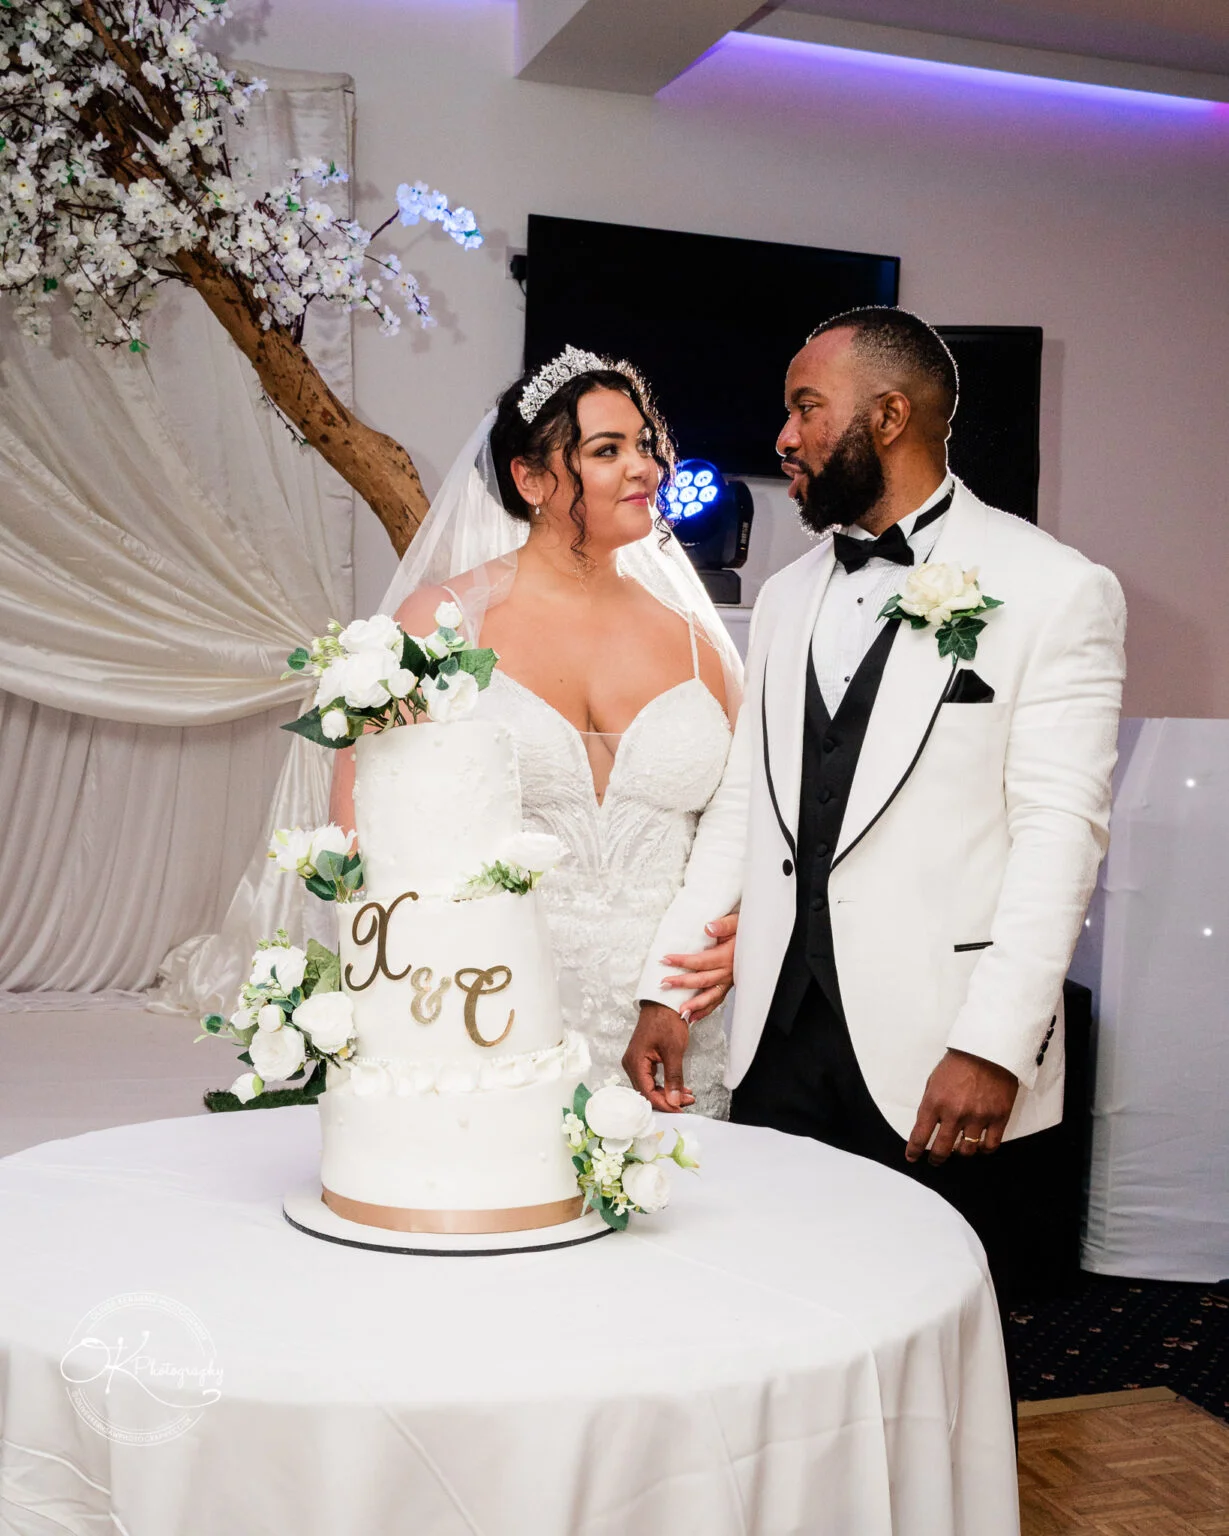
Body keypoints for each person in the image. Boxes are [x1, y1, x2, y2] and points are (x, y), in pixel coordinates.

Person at [625, 307, 1126, 1388]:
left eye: (806, 407)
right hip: (776, 1042)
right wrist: (664, 986)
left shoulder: (1051, 588)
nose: (783, 436)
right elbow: (746, 812)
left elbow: (1058, 837)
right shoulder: (789, 592)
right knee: (764, 1323)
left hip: (935, 1054)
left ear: (888, 416)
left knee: (922, 1356)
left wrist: (993, 1043)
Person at [330, 348, 743, 1116]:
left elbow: (748, 818)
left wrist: (738, 929)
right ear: (530, 479)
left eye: (646, 445)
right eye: (606, 450)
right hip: (493, 1003)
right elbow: (364, 832)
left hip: (675, 1013)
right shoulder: (440, 624)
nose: (645, 468)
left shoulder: (697, 642)